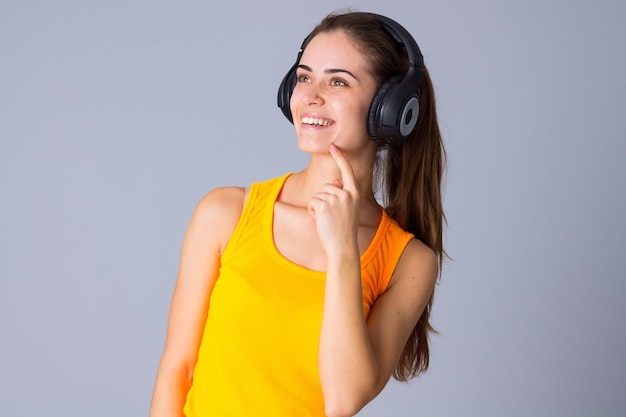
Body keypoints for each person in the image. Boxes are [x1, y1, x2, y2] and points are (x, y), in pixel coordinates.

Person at [149, 10, 446, 417]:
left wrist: (342, 252)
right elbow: (176, 369)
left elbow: (342, 400)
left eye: (338, 81)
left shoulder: (408, 261)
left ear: (389, 110)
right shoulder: (224, 213)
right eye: (304, 77)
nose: (311, 95)